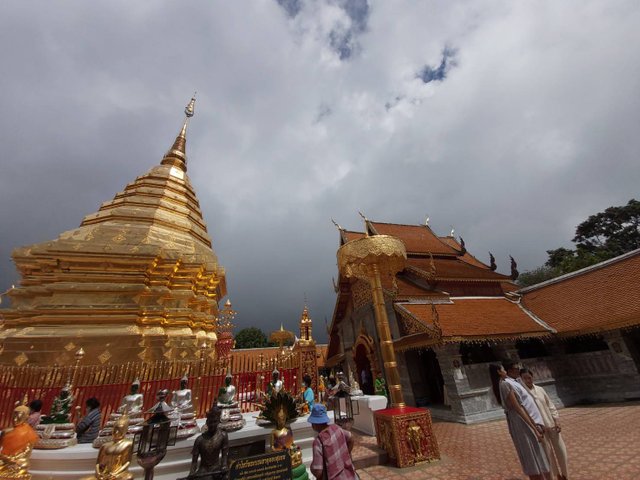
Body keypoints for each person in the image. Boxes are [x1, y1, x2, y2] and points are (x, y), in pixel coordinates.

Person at [489, 362, 550, 480]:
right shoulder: (505, 384)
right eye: (503, 369)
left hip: (525, 420)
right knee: (531, 455)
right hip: (521, 422)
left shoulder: (512, 382)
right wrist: (534, 427)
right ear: (499, 371)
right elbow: (518, 408)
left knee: (538, 454)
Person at [521, 368, 569, 480]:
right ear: (521, 380)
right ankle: (555, 476)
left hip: (551, 425)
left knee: (561, 451)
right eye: (525, 378)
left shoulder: (540, 389)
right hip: (540, 429)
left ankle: (565, 475)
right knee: (548, 456)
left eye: (529, 377)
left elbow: (550, 405)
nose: (528, 380)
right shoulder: (524, 395)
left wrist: (556, 420)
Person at [308, 403, 357, 480]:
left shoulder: (318, 442)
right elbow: (351, 438)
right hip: (350, 475)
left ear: (315, 424)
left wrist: (311, 468)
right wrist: (345, 455)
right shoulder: (337, 428)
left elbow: (318, 471)